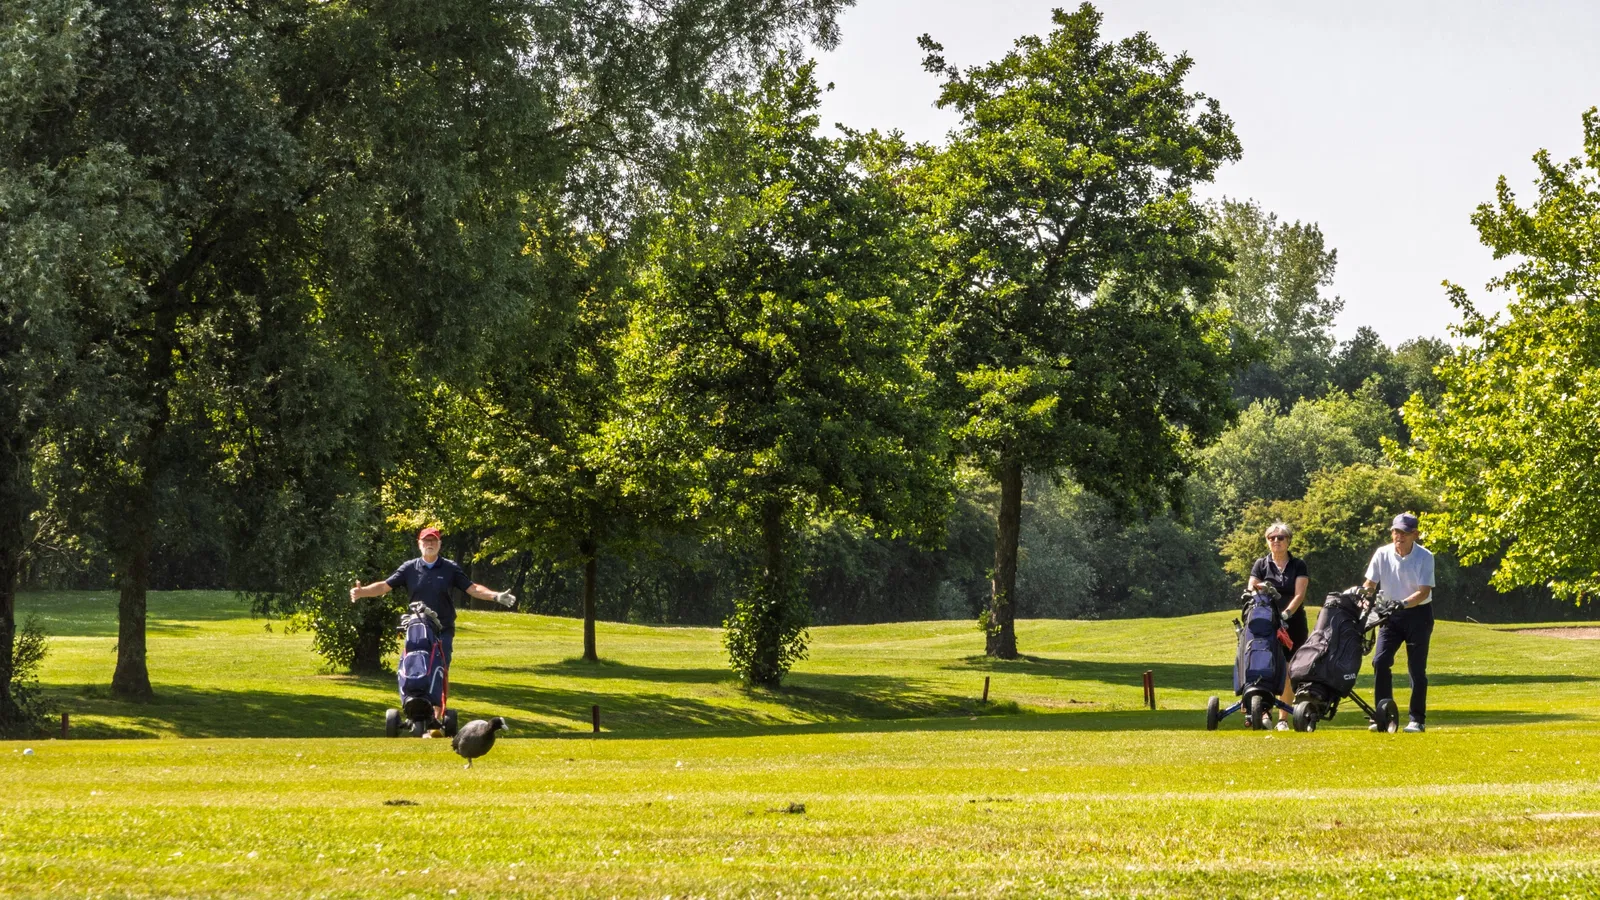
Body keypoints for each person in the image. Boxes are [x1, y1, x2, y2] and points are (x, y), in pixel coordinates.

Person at [349, 526, 516, 673]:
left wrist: (495, 595)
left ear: (439, 544)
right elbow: (384, 586)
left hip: (442, 628)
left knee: (441, 670)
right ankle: (416, 705)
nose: (429, 544)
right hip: (417, 627)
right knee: (414, 667)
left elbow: (473, 589)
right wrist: (363, 591)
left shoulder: (450, 568)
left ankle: (439, 709)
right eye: (426, 541)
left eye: (433, 541)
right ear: (419, 544)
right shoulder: (409, 568)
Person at [1363, 512, 1435, 733]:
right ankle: (1382, 716)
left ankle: (1417, 720)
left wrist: (1402, 603)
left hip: (1418, 616)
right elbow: (1370, 584)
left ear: (1415, 534)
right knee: (1380, 661)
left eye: (1404, 532)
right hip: (1390, 616)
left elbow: (1423, 592)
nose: (1398, 536)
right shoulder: (1382, 553)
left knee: (1416, 669)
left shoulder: (1425, 556)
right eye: (1395, 531)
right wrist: (1364, 601)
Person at [1248, 521, 1309, 731]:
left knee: (1289, 669)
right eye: (1271, 538)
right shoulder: (1260, 564)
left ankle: (1283, 718)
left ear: (1288, 541)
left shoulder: (1298, 565)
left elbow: (1299, 594)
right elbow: (1251, 590)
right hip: (1266, 623)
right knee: (1267, 665)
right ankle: (1264, 712)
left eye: (1280, 537)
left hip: (1293, 623)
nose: (1276, 541)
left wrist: (1286, 614)